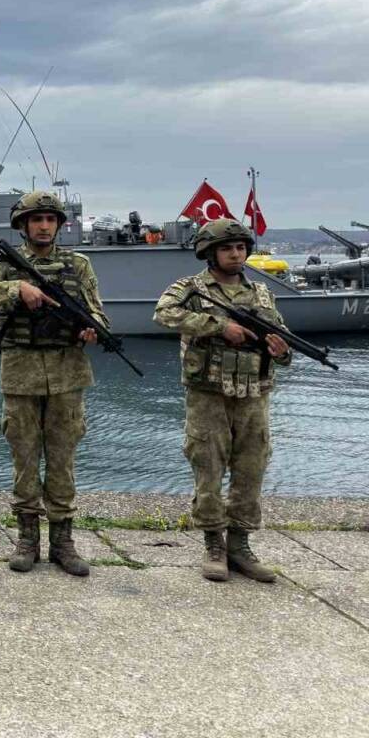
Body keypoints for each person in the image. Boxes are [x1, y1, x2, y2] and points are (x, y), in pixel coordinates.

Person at [0, 191, 104, 577]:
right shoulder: (3, 264)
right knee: (24, 459)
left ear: (59, 224)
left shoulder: (79, 265)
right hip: (21, 373)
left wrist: (95, 331)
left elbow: (96, 311)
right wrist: (16, 289)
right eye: (36, 219)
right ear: (23, 225)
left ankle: (63, 541)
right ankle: (27, 538)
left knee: (62, 460)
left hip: (67, 374)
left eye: (50, 219)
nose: (44, 226)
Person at [153, 218, 290, 583]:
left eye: (240, 248)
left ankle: (240, 545)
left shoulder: (261, 293)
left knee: (251, 468)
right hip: (209, 394)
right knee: (208, 467)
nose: (235, 254)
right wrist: (219, 326)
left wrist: (282, 350)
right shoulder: (192, 288)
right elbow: (164, 313)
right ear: (210, 253)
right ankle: (214, 543)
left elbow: (282, 337)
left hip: (253, 395)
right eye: (227, 248)